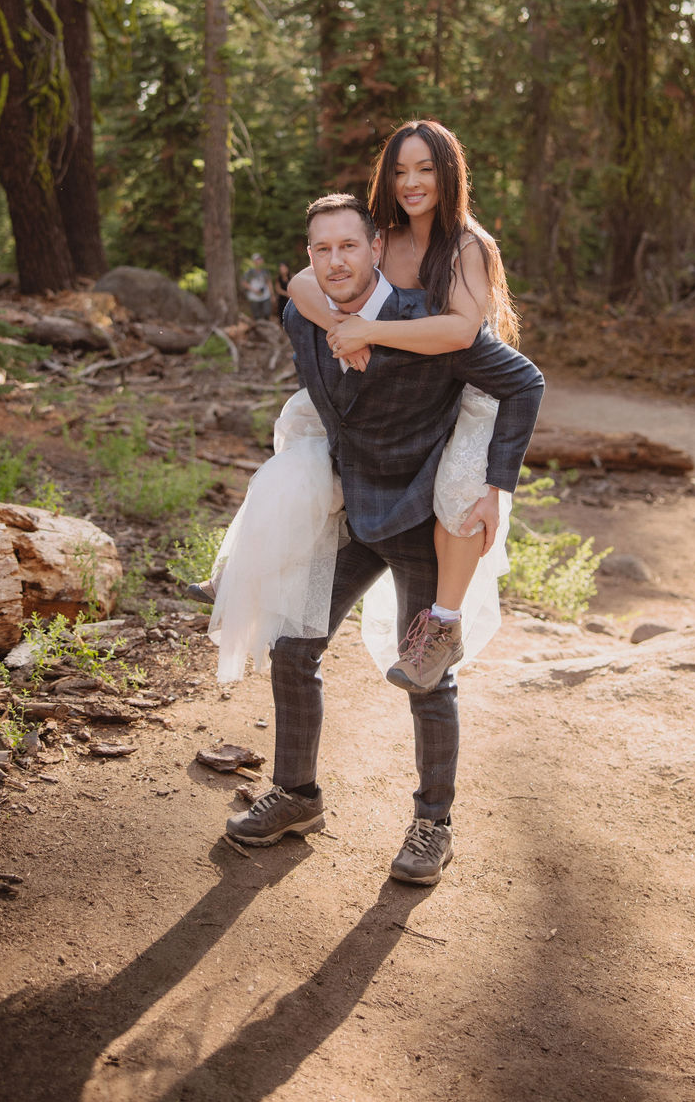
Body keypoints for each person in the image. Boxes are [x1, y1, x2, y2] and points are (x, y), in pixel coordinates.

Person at [223, 193, 543, 885]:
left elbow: (523, 380)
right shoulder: (298, 315)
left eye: (348, 245)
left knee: (427, 676)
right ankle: (297, 796)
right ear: (306, 260)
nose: (334, 260)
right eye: (320, 249)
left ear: (376, 249)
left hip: (424, 519)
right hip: (354, 512)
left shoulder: (423, 324)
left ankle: (433, 824)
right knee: (293, 646)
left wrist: (494, 484)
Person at [204, 119, 517, 692]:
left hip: (462, 387)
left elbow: (460, 331)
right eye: (399, 170)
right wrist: (343, 328)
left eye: (425, 168)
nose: (411, 182)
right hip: (392, 388)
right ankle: (238, 564)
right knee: (300, 441)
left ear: (450, 173)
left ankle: (443, 625)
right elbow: (303, 283)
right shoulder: (385, 238)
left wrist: (371, 332)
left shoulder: (469, 245)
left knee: (458, 492)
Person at [241, 253, 273, 321]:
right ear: (254, 262)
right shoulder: (249, 272)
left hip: (265, 296)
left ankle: (267, 327)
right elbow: (243, 283)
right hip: (254, 297)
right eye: (257, 260)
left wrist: (272, 294)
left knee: (267, 313)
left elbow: (269, 282)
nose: (259, 261)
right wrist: (254, 290)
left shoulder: (265, 271)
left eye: (260, 259)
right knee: (256, 316)